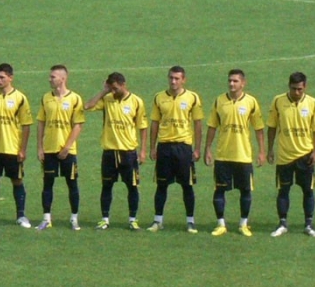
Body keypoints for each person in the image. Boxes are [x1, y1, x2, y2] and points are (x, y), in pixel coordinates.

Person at [84, 72, 148, 230]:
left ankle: (132, 220)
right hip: (109, 152)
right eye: (111, 88)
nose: (113, 91)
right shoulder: (107, 99)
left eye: (115, 88)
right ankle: (105, 219)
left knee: (132, 187)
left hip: (128, 153)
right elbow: (87, 106)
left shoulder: (136, 102)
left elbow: (142, 127)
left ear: (123, 85)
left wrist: (143, 151)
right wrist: (104, 91)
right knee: (106, 186)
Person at [204, 69, 265, 237]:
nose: (232, 84)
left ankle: (243, 224)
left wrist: (262, 152)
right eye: (230, 80)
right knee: (219, 190)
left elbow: (259, 128)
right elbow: (212, 126)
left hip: (243, 156)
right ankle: (221, 224)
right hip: (223, 155)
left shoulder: (251, 102)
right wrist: (207, 148)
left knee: (245, 191)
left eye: (235, 81)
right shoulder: (219, 101)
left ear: (243, 83)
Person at [267, 72, 315, 237]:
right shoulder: (278, 101)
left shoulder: (312, 103)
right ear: (289, 86)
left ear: (305, 87)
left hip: (305, 155)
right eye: (293, 89)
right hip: (284, 156)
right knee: (283, 190)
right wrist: (270, 149)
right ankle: (282, 224)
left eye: (300, 89)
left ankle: (308, 225)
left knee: (308, 191)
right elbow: (272, 126)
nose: (296, 92)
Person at [148, 65, 204, 233]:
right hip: (164, 146)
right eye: (171, 78)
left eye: (177, 78)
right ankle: (157, 221)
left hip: (183, 147)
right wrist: (152, 147)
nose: (173, 81)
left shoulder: (192, 97)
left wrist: (197, 148)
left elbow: (198, 124)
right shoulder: (159, 97)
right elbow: (154, 123)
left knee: (187, 185)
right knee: (161, 185)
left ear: (183, 80)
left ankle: (190, 221)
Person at [0, 63, 34, 229]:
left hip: (12, 149)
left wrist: (22, 149)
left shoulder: (20, 98)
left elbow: (26, 125)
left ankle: (21, 216)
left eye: (2, 77)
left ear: (10, 78)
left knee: (17, 180)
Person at [36, 65, 85, 230]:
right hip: (49, 149)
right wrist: (40, 147)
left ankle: (74, 218)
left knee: (72, 183)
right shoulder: (46, 98)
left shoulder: (75, 99)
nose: (49, 79)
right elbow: (41, 123)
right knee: (47, 183)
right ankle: (46, 218)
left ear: (63, 78)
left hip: (68, 151)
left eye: (53, 77)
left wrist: (67, 146)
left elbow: (78, 125)